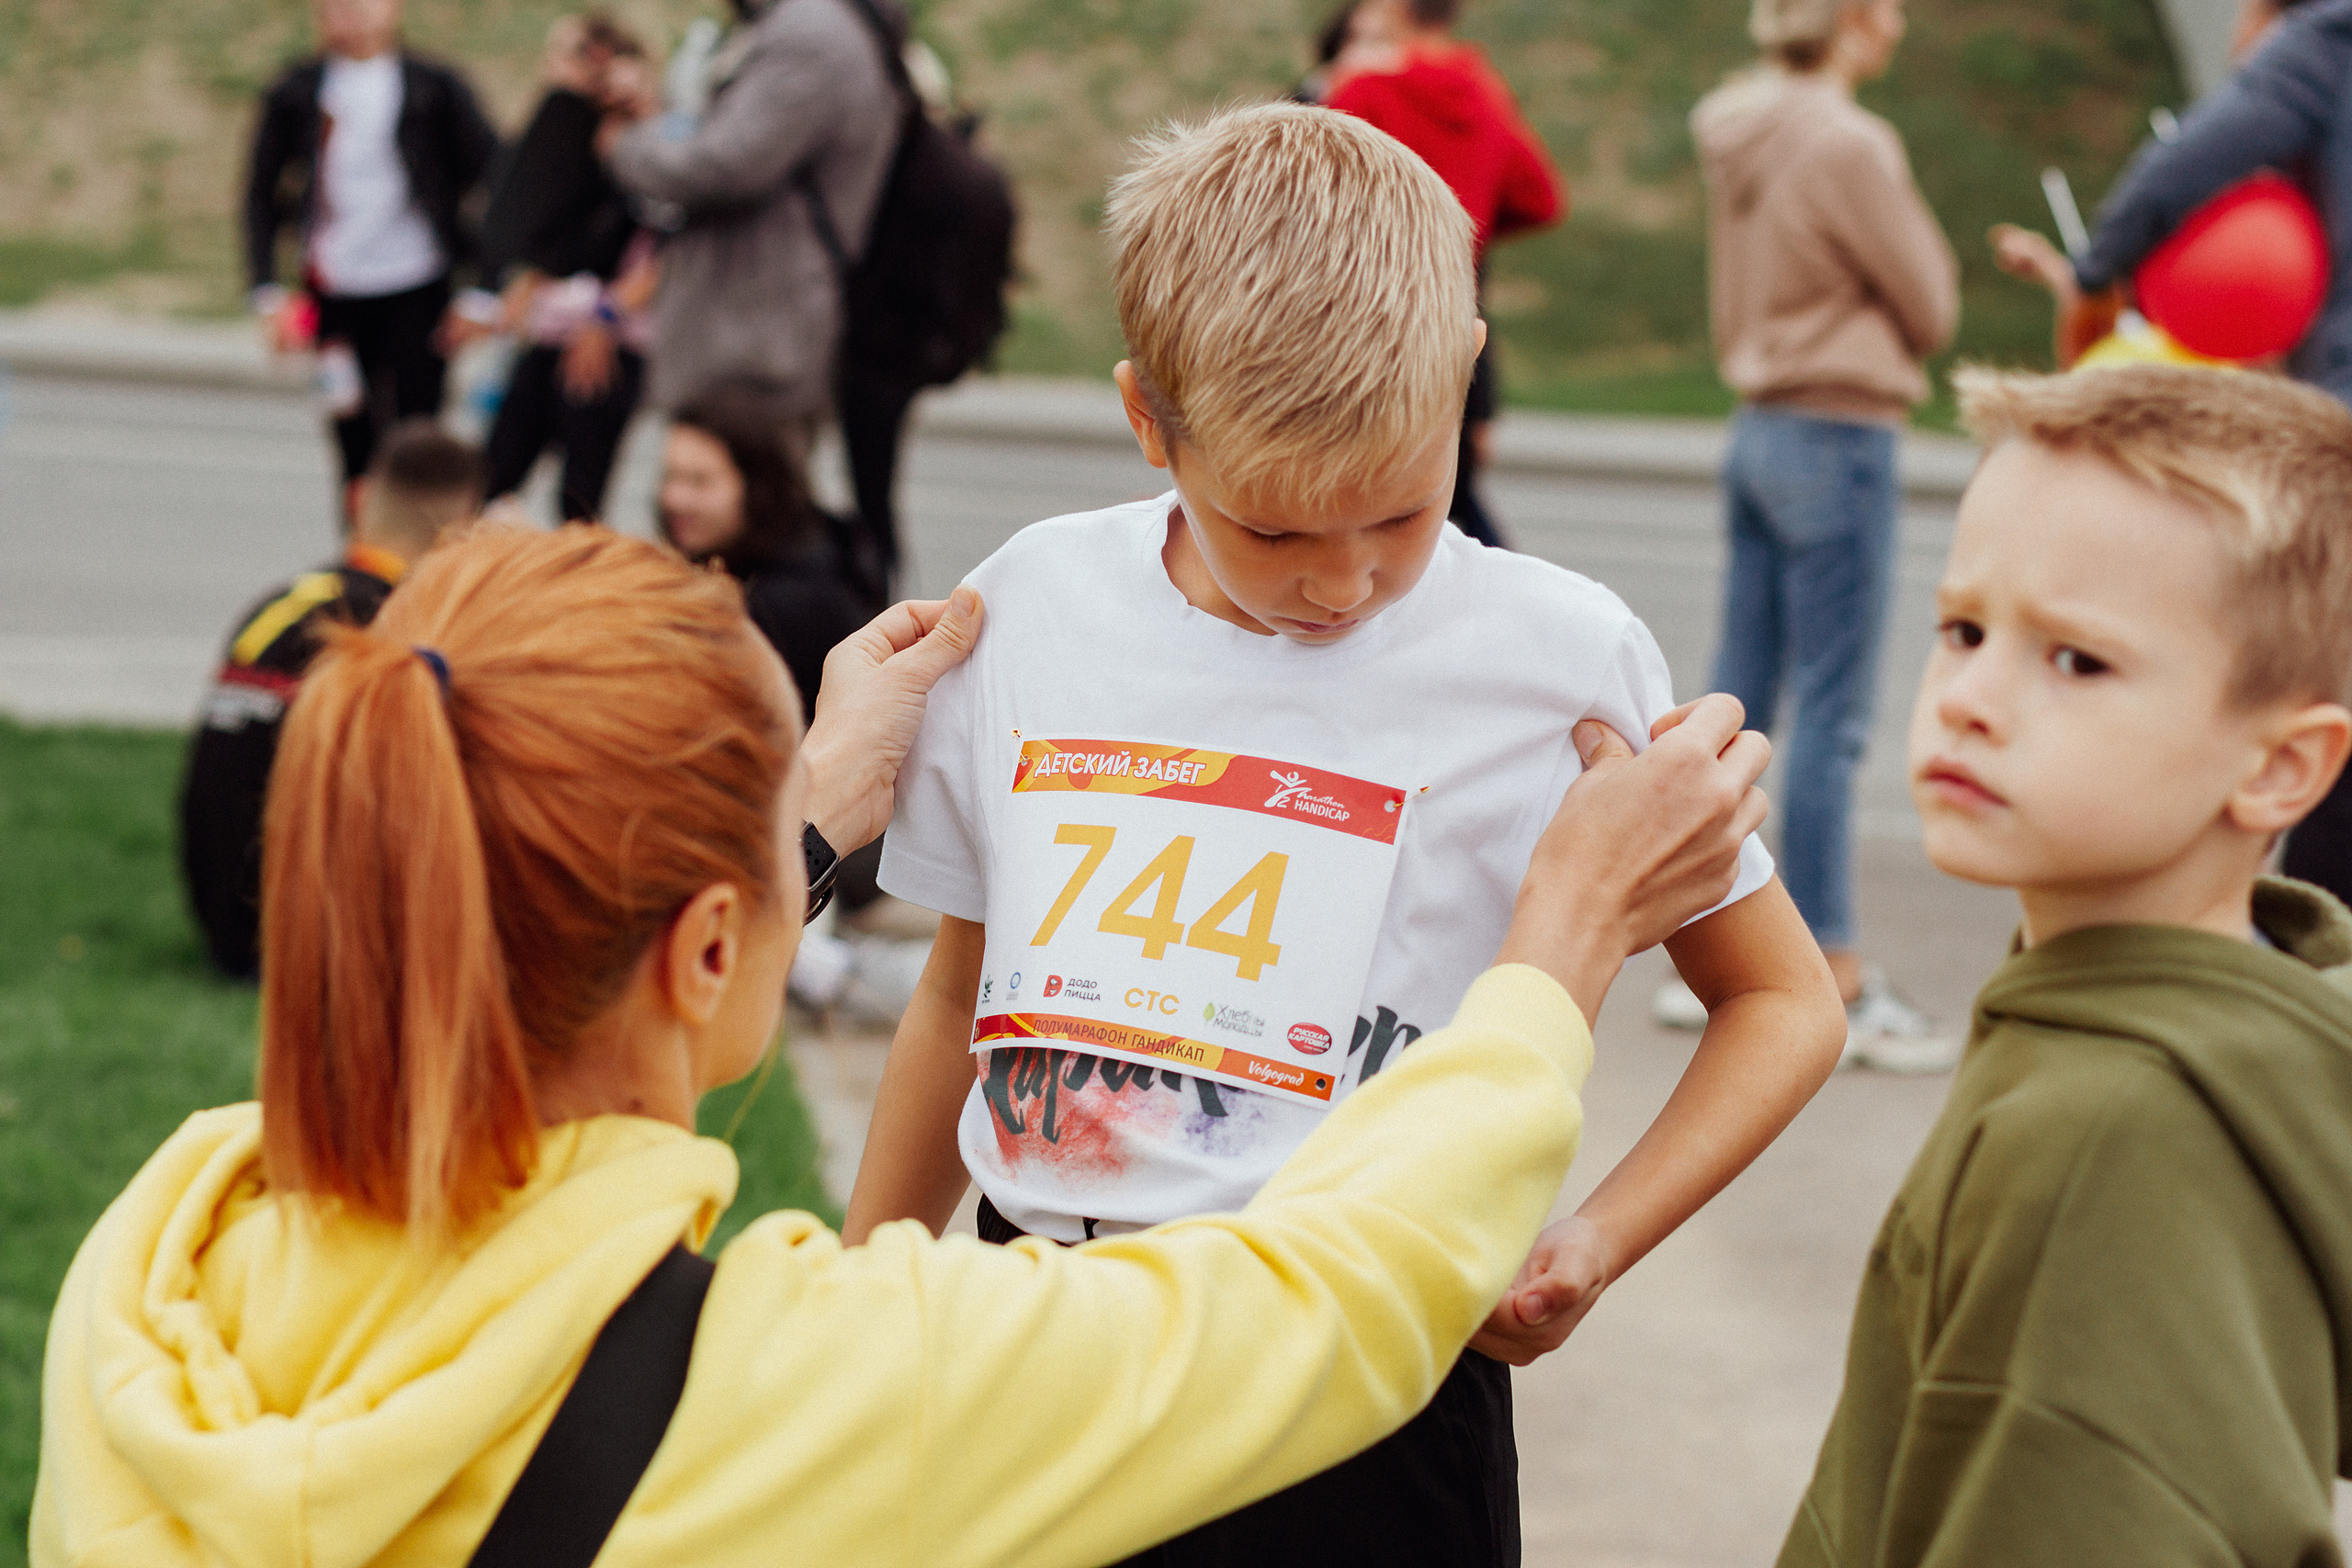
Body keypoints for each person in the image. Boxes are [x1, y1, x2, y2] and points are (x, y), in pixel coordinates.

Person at [33, 518, 1782, 1567]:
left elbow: (561, 1002)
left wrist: (791, 815)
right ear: (708, 945)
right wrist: (1562, 931)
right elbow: (1318, 1300)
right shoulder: (814, 1385)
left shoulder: (163, 1256)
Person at [846, 104, 1845, 1568]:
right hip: (1039, 1352)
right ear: (1148, 420)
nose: (1343, 582)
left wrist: (1595, 1241)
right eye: (1272, 532)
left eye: (1401, 511)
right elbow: (962, 996)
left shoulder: (1558, 654)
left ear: (1463, 389)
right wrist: (870, 1294)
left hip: (1370, 1383)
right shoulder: (1032, 608)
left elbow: (1785, 997)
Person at [1781, 363, 2352, 1567]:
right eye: (1964, 628)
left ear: (2280, 768)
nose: (1969, 699)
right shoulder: (2135, 1011)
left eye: (2077, 661)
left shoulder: (2113, 1136)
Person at [1988, 0, 2352, 912]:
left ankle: (2316, 1001)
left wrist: (2094, 267)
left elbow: (2186, 166)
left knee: (2333, 730)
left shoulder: (2327, 40)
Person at [1673, 0, 1959, 1067]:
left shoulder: (1734, 127)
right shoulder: (1849, 142)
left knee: (1736, 699)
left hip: (1756, 427)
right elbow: (1929, 303)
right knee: (1833, 715)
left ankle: (1709, 950)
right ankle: (1830, 964)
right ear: (1851, 17)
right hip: (1838, 430)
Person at [178, 421, 481, 979]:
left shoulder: (282, 604)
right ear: (461, 533)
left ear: (358, 499)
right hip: (301, 941)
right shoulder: (395, 626)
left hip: (220, 917)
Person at [602, 0, 902, 457]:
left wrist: (628, 146)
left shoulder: (811, 33)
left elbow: (727, 164)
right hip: (755, 325)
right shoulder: (821, 27)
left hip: (750, 340)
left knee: (743, 501)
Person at [1325, 0, 1564, 548]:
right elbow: (1540, 198)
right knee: (1447, 496)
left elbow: (1317, 203)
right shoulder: (1481, 90)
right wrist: (1462, 227)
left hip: (1367, 321)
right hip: (1457, 314)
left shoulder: (1365, 91)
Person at [243, 0, 500, 499]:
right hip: (333, 293)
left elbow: (499, 183)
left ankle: (421, 563)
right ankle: (363, 562)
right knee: (351, 436)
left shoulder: (433, 87)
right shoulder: (297, 90)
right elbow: (261, 193)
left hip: (416, 286)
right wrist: (269, 294)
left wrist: (483, 293)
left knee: (418, 439)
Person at [473, 14, 661, 524]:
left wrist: (603, 319)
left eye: (567, 54)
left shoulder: (655, 143)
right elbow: (531, 227)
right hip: (549, 332)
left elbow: (662, 259)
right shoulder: (568, 135)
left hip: (609, 341)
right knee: (491, 480)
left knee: (578, 499)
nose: (552, 69)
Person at [658, 380, 880, 716]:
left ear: (756, 486)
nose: (675, 498)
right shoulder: (822, 541)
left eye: (699, 481)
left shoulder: (786, 606)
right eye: (670, 476)